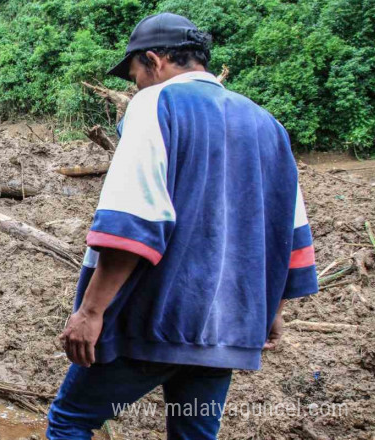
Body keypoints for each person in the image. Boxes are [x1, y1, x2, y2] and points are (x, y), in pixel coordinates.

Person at [47, 13, 319, 439]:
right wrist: (271, 312)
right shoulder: (269, 125)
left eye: (135, 75)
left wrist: (91, 311)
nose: (134, 86)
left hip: (153, 317)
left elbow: (133, 220)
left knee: (72, 421)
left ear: (155, 61)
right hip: (226, 327)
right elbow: (289, 233)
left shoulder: (156, 104)